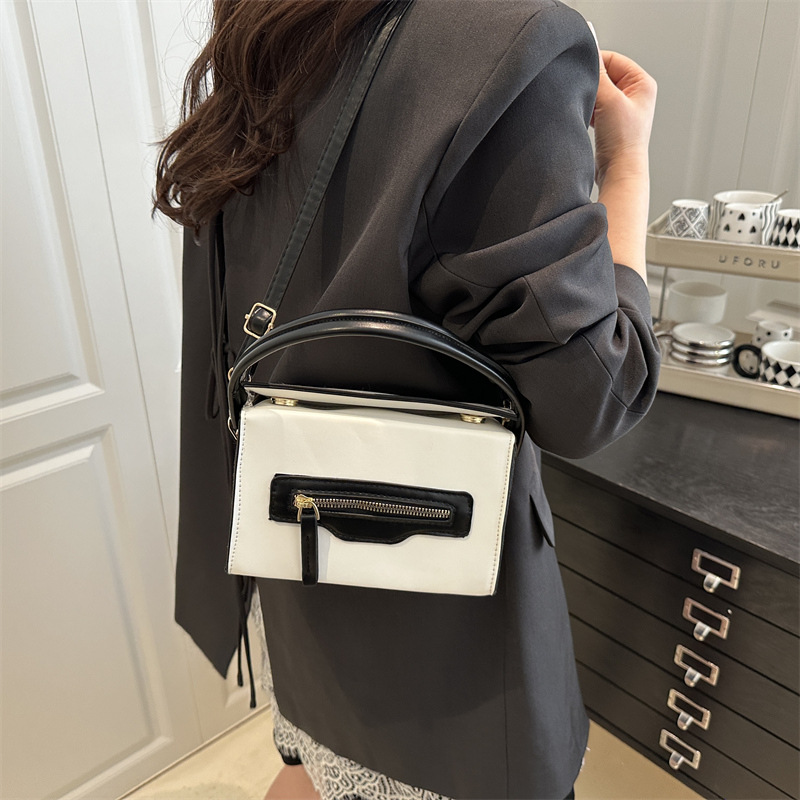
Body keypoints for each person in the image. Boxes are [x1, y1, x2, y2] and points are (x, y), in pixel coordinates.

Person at [154, 1, 660, 798]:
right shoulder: (516, 41)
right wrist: (626, 164)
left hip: (300, 558)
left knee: (311, 770)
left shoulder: (273, 19)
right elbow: (593, 397)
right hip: (439, 648)